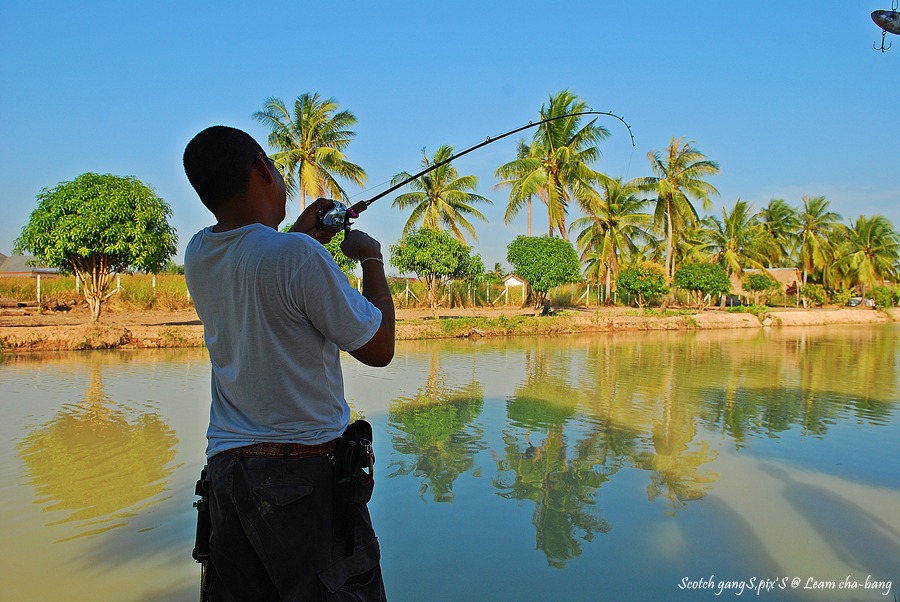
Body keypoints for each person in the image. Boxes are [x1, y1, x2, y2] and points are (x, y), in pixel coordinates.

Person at [182, 125, 394, 601]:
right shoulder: (294, 256)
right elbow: (379, 349)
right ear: (261, 167)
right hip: (301, 480)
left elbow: (256, 256)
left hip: (229, 480)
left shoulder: (198, 252)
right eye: (277, 169)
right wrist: (372, 261)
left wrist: (300, 236)